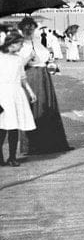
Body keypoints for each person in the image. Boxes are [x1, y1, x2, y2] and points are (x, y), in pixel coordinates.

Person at [17, 17, 73, 155]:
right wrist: (28, 58)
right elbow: (17, 65)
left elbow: (45, 57)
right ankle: (34, 145)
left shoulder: (36, 41)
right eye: (27, 27)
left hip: (44, 76)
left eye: (32, 27)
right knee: (36, 109)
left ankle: (52, 143)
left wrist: (49, 60)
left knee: (49, 108)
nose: (29, 29)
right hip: (31, 77)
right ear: (22, 29)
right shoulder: (19, 43)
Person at [0, 29, 37, 167]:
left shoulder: (18, 59)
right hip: (2, 94)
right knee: (2, 127)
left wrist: (30, 92)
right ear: (12, 44)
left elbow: (23, 78)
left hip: (16, 93)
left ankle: (12, 157)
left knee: (14, 127)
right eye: (20, 44)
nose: (21, 47)